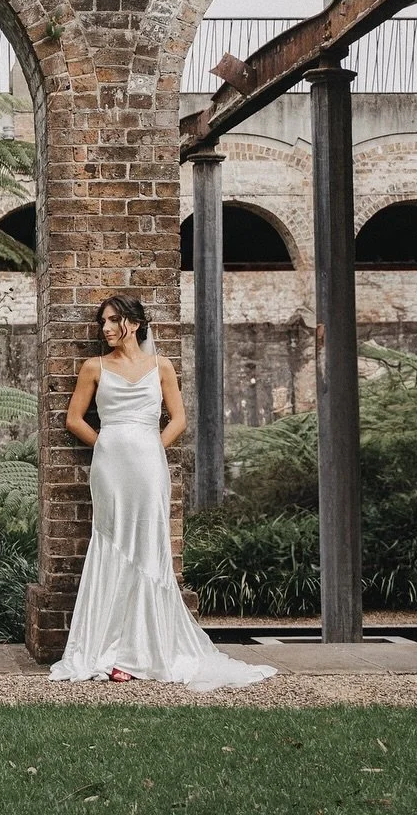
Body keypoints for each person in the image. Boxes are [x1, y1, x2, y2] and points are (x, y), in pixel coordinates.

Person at [49, 294, 275, 692]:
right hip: (110, 467)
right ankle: (108, 649)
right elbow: (73, 419)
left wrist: (154, 447)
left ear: (133, 324)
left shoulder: (162, 366)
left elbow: (180, 419)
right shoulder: (94, 367)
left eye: (113, 320)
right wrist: (106, 442)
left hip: (150, 468)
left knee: (149, 549)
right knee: (114, 545)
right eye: (102, 321)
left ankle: (145, 650)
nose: (105, 328)